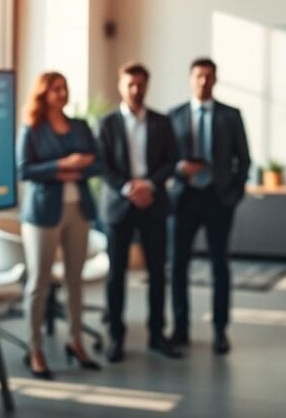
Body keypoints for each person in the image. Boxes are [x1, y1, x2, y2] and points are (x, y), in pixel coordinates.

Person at [16, 71, 105, 379]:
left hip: (78, 209)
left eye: (65, 88)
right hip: (43, 214)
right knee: (39, 282)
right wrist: (63, 166)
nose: (62, 93)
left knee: (74, 279)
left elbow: (98, 162)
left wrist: (78, 169)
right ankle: (35, 349)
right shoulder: (33, 128)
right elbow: (24, 170)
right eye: (55, 89)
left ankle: (76, 341)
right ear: (43, 93)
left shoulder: (80, 126)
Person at [98, 62, 181, 362]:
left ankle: (157, 334)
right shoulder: (106, 123)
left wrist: (148, 185)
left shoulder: (162, 121)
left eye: (141, 84)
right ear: (121, 86)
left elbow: (172, 160)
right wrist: (127, 188)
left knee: (158, 273)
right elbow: (102, 164)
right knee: (116, 275)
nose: (136, 90)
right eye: (130, 84)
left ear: (147, 86)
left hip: (153, 203)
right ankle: (116, 338)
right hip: (119, 205)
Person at [168, 57, 251, 355]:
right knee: (178, 265)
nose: (203, 81)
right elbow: (165, 161)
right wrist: (179, 169)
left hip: (218, 199)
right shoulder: (174, 115)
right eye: (199, 76)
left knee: (220, 266)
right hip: (184, 198)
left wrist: (233, 195)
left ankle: (220, 330)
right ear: (191, 79)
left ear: (215, 80)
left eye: (209, 77)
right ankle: (179, 328)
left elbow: (244, 161)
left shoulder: (231, 115)